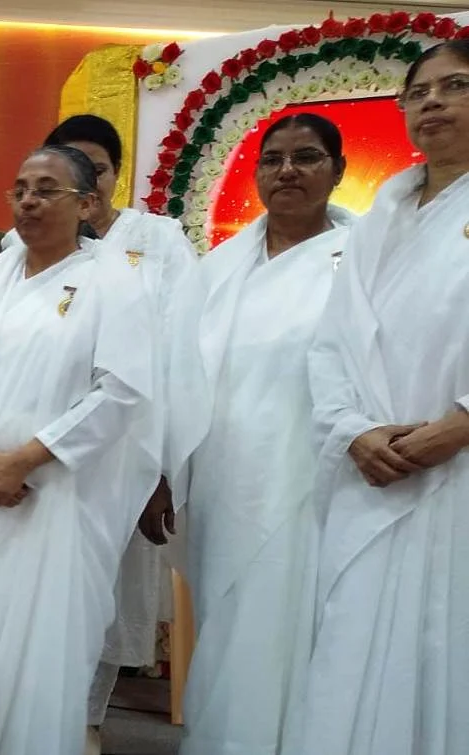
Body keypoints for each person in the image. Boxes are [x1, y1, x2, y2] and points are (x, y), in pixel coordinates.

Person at [0, 146, 160, 755]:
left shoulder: (114, 281)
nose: (28, 201)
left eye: (46, 189)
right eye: (19, 189)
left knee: (50, 642)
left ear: (87, 204)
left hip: (63, 498)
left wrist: (24, 460)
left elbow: (122, 391)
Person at [290, 40, 469, 755]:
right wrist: (353, 431)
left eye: (455, 86)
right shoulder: (382, 215)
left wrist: (457, 427)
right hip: (371, 469)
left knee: (445, 647)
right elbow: (331, 343)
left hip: (457, 467)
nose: (432, 102)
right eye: (418, 92)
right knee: (353, 649)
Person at [161, 113, 351, 755]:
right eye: (272, 159)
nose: (287, 171)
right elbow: (179, 377)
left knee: (300, 628)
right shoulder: (218, 269)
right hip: (225, 484)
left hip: (317, 482)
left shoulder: (362, 260)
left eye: (307, 157)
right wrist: (163, 475)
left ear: (338, 170)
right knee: (229, 625)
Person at [5, 115, 193, 745]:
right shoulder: (18, 244)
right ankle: (31, 720)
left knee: (108, 593)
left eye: (99, 170)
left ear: (115, 174)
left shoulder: (159, 240)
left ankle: (82, 723)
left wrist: (162, 471)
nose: (85, 182)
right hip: (37, 452)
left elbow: (181, 353)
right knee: (38, 592)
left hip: (126, 449)